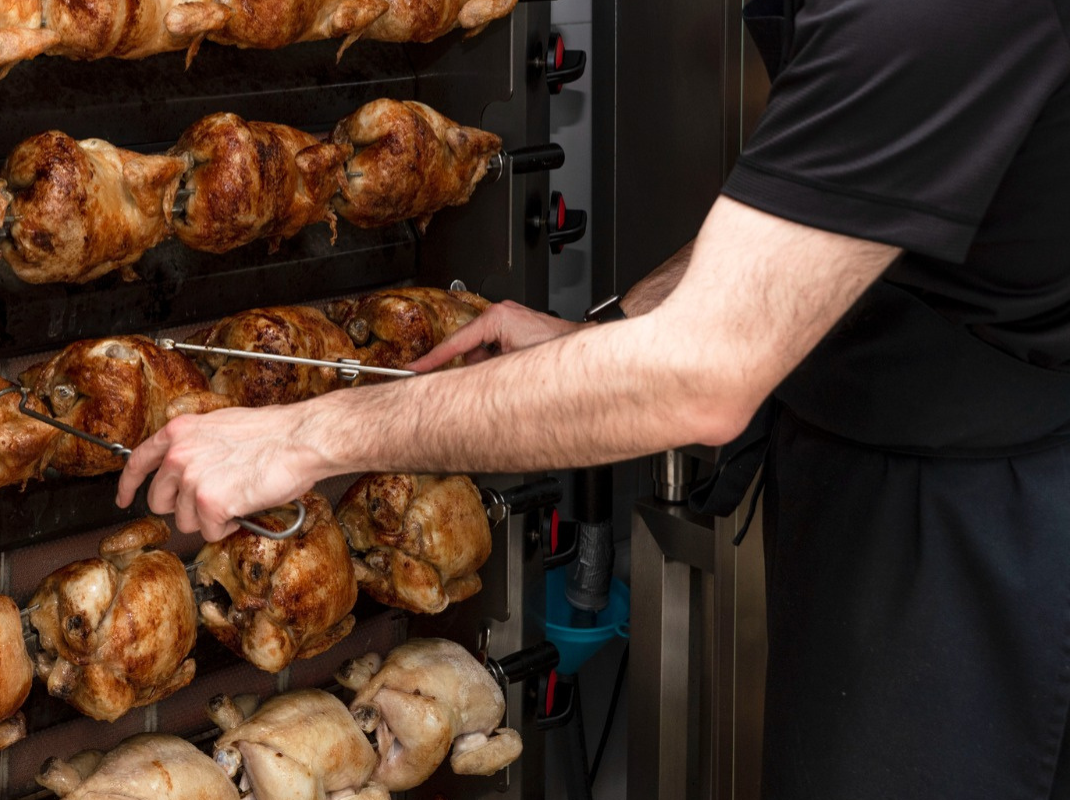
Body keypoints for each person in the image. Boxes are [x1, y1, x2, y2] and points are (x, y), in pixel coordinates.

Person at [119, 0, 1070, 795]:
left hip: (988, 517)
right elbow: (832, 204)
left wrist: (310, 436)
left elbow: (707, 376)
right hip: (867, 451)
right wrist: (619, 327)